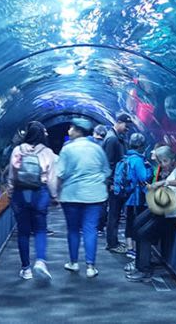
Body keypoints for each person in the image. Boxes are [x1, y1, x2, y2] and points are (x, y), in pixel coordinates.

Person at [56, 118, 110, 278]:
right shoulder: (98, 149)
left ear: (78, 130)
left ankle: (73, 263)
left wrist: (55, 192)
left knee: (73, 230)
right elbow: (106, 171)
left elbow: (60, 173)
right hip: (95, 195)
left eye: (71, 128)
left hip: (71, 195)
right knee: (90, 229)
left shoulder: (67, 149)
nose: (69, 131)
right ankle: (90, 267)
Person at [127, 145, 176, 283]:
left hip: (173, 214)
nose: (161, 165)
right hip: (162, 208)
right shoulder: (166, 170)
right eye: (160, 162)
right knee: (136, 224)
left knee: (144, 234)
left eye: (163, 161)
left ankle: (144, 270)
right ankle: (139, 264)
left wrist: (164, 182)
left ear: (170, 159)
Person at [7, 121, 57, 281]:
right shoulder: (47, 152)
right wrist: (55, 195)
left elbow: (12, 174)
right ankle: (40, 261)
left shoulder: (17, 150)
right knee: (41, 229)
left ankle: (26, 268)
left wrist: (10, 191)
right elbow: (51, 178)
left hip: (20, 193)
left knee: (23, 232)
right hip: (39, 192)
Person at [116, 133, 151, 260]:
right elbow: (143, 178)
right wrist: (148, 167)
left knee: (129, 222)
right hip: (138, 197)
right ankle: (136, 249)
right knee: (137, 223)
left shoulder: (126, 158)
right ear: (141, 146)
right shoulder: (138, 160)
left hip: (127, 196)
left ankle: (129, 248)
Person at [104, 113, 133, 253]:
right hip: (114, 183)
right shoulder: (112, 139)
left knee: (115, 213)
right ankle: (112, 243)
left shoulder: (117, 138)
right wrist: (110, 183)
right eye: (126, 126)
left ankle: (114, 241)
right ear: (119, 122)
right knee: (114, 214)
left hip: (118, 182)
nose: (128, 129)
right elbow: (109, 163)